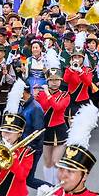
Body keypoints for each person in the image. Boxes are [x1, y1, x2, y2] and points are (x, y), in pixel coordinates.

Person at [34, 103, 99, 196]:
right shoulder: (54, 194)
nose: (63, 175)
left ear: (84, 175)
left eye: (70, 171)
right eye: (61, 169)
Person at [0, 79, 35, 196]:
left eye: (11, 131)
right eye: (4, 131)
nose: (6, 134)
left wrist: (13, 159)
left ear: (19, 133)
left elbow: (22, 176)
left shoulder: (27, 152)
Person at [36, 56, 70, 186]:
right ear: (47, 80)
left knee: (56, 160)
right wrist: (33, 98)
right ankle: (48, 187)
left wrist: (47, 94)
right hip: (45, 129)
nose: (54, 82)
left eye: (57, 80)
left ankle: (57, 187)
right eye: (51, 80)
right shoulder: (41, 94)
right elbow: (38, 110)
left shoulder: (65, 95)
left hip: (59, 129)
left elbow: (57, 107)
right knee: (47, 160)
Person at [20, 82, 47, 190]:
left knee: (29, 179)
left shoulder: (35, 107)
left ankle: (55, 191)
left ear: (24, 92)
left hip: (32, 148)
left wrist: (29, 147)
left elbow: (38, 132)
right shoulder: (22, 104)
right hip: (24, 146)